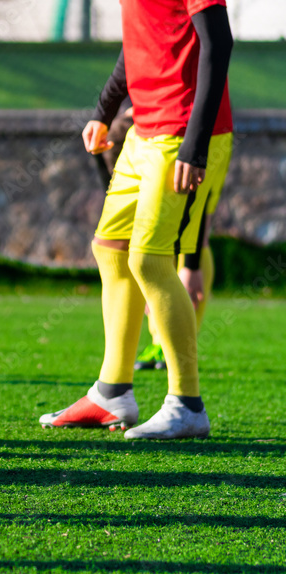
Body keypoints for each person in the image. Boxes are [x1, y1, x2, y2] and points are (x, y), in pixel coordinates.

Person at [41, 0, 234, 439]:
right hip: (144, 133)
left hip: (183, 135)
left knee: (150, 261)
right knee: (110, 249)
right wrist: (103, 112)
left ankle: (187, 405)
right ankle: (112, 392)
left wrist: (195, 144)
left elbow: (218, 43)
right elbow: (139, 44)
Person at [96, 107, 223, 373]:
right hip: (151, 124)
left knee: (185, 232)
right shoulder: (118, 140)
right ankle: (140, 360)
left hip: (198, 132)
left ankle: (178, 355)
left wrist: (192, 266)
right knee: (141, 250)